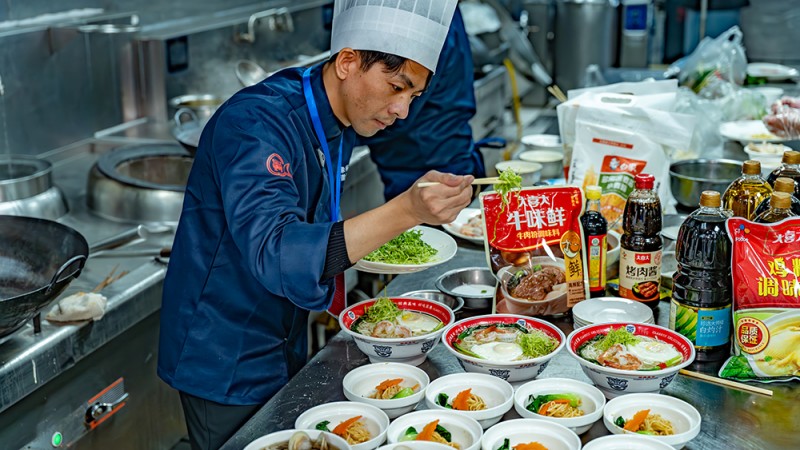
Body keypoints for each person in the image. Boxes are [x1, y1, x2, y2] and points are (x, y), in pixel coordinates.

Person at [157, 1, 472, 449]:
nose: (402, 110)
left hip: (283, 330)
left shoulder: (333, 115)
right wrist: (407, 211)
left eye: (413, 96)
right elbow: (276, 250)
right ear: (347, 62)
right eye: (396, 86)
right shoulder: (256, 124)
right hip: (224, 349)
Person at [357, 4, 485, 200]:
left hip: (426, 168)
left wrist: (345, 124)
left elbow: (398, 109)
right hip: (437, 154)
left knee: (429, 230)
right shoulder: (435, 9)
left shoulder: (421, 17)